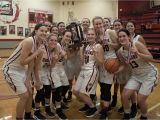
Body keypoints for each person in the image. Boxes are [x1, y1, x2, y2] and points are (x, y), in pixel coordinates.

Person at [2, 23, 47, 120]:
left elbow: (34, 65)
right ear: (36, 31)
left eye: (46, 31)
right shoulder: (29, 41)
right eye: (41, 30)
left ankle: (27, 116)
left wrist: (35, 80)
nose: (44, 33)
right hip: (10, 69)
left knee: (30, 93)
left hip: (22, 71)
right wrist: (36, 53)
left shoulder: (41, 45)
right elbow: (23, 62)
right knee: (24, 96)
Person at [117, 28, 158, 119]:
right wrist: (115, 71)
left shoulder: (136, 44)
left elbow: (151, 58)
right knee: (124, 95)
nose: (122, 38)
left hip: (149, 74)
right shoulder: (120, 51)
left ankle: (144, 117)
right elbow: (123, 65)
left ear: (128, 37)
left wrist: (138, 53)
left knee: (140, 99)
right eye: (119, 37)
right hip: (136, 76)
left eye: (124, 36)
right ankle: (127, 114)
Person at [74, 28, 104, 118]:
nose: (90, 36)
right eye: (89, 34)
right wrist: (80, 51)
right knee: (75, 91)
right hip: (83, 69)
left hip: (91, 71)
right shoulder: (86, 46)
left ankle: (93, 108)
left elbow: (101, 63)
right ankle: (87, 105)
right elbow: (83, 60)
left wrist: (95, 55)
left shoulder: (98, 46)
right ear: (86, 36)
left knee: (82, 94)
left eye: (92, 34)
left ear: (95, 36)